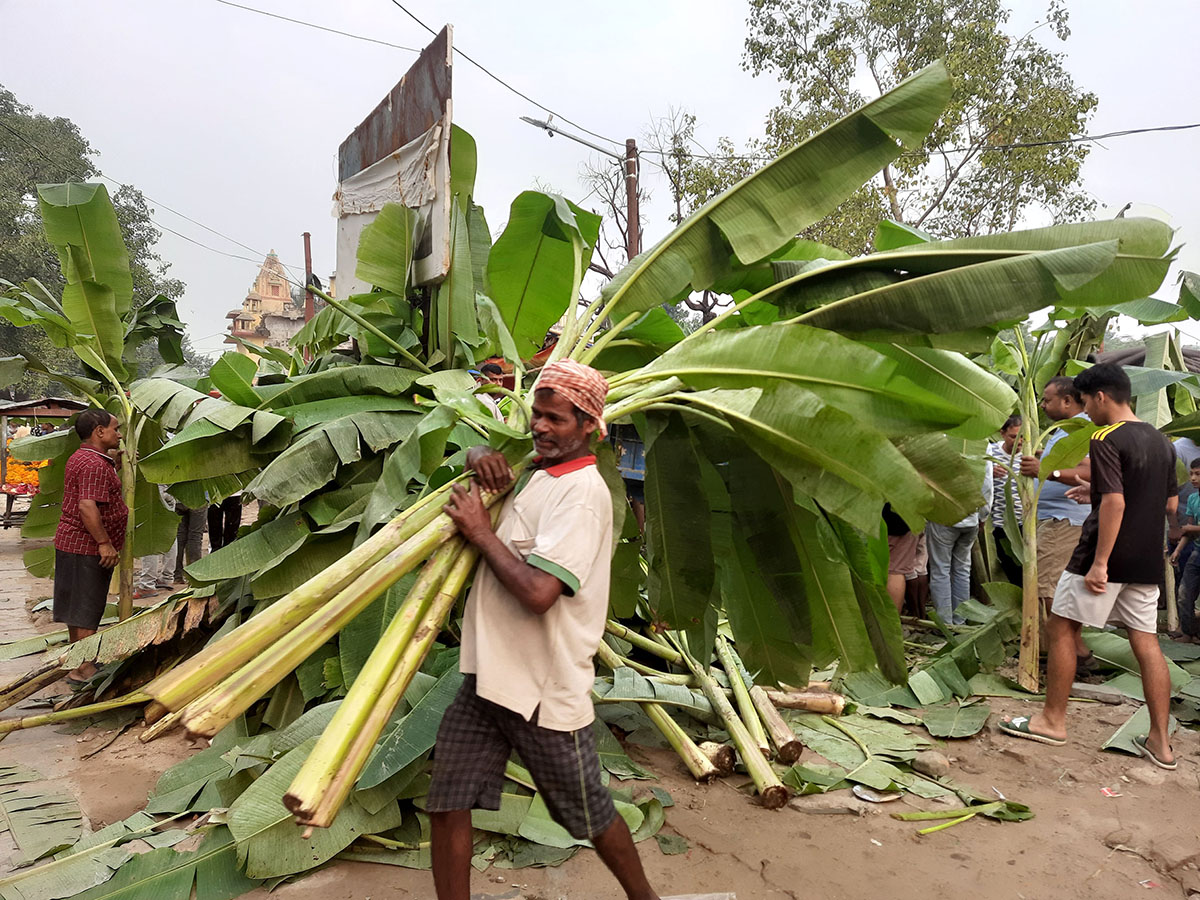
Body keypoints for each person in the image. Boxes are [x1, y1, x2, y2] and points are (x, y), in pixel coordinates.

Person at [431, 360, 659, 900]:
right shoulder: (536, 472)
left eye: (555, 419)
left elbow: (538, 595)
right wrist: (476, 454)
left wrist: (481, 534)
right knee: (447, 801)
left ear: (588, 427)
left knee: (589, 813)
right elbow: (481, 463)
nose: (539, 427)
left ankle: (645, 899)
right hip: (489, 680)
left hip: (541, 691)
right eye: (537, 414)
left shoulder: (582, 495)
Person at [1001, 363, 1178, 769]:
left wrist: (1099, 562)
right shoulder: (1161, 441)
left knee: (1062, 626)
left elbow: (1116, 502)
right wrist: (1093, 491)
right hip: (1146, 559)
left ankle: (1051, 721)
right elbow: (1167, 503)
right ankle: (1161, 742)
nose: (1086, 412)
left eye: (1085, 403)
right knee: (1146, 642)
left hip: (1105, 554)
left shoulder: (1106, 436)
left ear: (1100, 397)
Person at [1019, 376, 1095, 673]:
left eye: (1047, 399)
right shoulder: (1062, 431)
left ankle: (1069, 653)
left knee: (1052, 589)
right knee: (1059, 588)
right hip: (1057, 520)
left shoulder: (1081, 429)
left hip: (1064, 521)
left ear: (1067, 401)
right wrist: (1043, 458)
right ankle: (1072, 651)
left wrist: (1045, 470)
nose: (1043, 404)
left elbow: (1088, 472)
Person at [53, 409, 127, 683]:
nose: (118, 434)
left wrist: (115, 465)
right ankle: (83, 667)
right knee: (86, 607)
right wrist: (104, 543)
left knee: (79, 608)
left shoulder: (87, 458)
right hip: (85, 546)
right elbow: (87, 505)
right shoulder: (94, 465)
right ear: (99, 431)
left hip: (74, 544)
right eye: (115, 429)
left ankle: (78, 660)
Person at [925, 461, 992, 625]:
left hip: (943, 518)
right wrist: (983, 515)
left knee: (941, 569)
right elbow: (987, 486)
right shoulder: (982, 445)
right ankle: (960, 619)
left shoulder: (940, 443)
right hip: (970, 519)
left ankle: (945, 622)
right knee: (962, 569)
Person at [987, 414, 1024, 585]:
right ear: (1002, 433)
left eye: (1022, 436)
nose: (1019, 441)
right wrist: (989, 472)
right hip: (1001, 522)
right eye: (1014, 437)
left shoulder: (1030, 454)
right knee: (1010, 565)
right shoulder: (991, 452)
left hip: (1025, 523)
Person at [1168, 458, 1200, 642]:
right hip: (1197, 551)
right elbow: (1189, 528)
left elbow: (1189, 528)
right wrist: (1178, 550)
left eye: (1198, 474)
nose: (1193, 478)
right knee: (1184, 593)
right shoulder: (1193, 499)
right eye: (1192, 474)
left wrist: (1188, 529)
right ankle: (1188, 633)